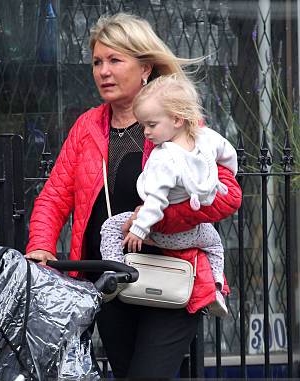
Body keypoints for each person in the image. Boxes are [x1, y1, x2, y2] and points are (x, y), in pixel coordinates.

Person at [26, 12, 242, 381]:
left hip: (174, 282)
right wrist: (41, 247)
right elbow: (53, 196)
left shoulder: (175, 120)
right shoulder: (87, 128)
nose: (103, 71)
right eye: (96, 61)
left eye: (114, 60)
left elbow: (227, 195)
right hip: (113, 285)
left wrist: (159, 218)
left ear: (145, 65)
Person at [100, 73, 238, 317]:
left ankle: (115, 272)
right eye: (143, 125)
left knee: (111, 227)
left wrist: (139, 229)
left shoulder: (164, 157)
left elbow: (155, 201)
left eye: (151, 125)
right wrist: (224, 175)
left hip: (160, 233)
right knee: (215, 245)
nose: (146, 132)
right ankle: (216, 289)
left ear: (176, 119)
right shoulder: (205, 140)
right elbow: (228, 154)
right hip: (195, 234)